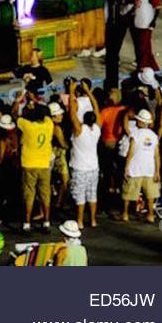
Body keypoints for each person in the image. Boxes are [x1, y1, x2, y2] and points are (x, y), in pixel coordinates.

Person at [66, 79, 101, 229]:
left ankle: (79, 221)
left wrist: (71, 91)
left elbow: (71, 112)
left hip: (80, 168)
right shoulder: (97, 129)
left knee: (80, 197)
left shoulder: (79, 131)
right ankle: (93, 220)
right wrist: (88, 91)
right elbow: (96, 108)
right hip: (93, 167)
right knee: (92, 195)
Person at [16, 96, 54, 232]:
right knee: (45, 195)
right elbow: (47, 112)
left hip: (28, 163)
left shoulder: (27, 126)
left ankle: (27, 223)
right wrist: (36, 104)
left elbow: (15, 115)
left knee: (29, 194)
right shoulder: (49, 124)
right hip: (44, 164)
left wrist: (25, 104)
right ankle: (47, 221)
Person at [121, 109, 160, 224]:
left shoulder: (135, 134)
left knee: (128, 193)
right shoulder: (154, 136)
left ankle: (125, 214)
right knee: (150, 194)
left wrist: (126, 167)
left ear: (140, 121)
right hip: (149, 169)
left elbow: (130, 152)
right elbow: (156, 155)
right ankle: (151, 215)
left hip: (135, 168)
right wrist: (157, 171)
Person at [131, 0, 161, 71]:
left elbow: (158, 7)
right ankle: (152, 66)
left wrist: (153, 21)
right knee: (145, 47)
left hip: (146, 24)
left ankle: (143, 66)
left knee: (143, 47)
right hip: (139, 23)